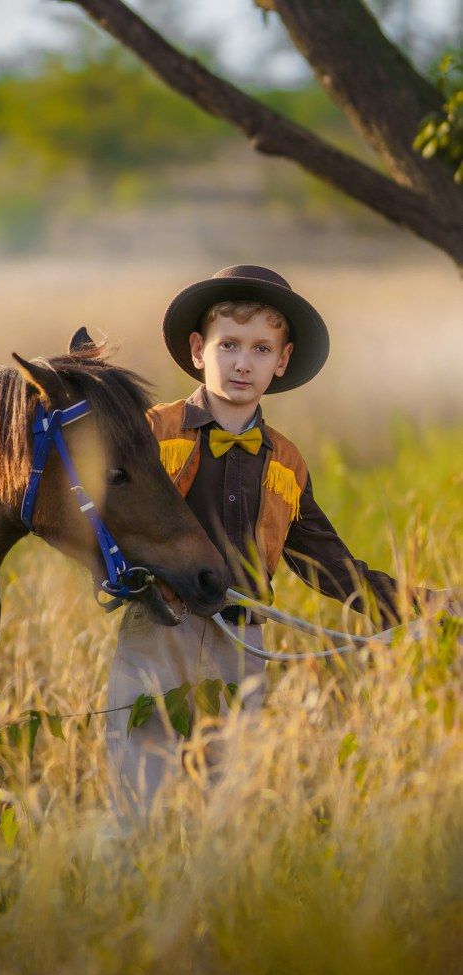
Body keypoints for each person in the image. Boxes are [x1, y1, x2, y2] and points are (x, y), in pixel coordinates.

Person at [106, 263, 442, 811]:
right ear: (198, 350)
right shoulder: (150, 433)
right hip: (157, 632)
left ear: (282, 362)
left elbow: (328, 563)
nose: (243, 362)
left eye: (262, 349)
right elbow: (105, 520)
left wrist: (415, 606)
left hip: (242, 644)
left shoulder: (286, 462)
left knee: (229, 802)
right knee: (137, 797)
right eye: (229, 344)